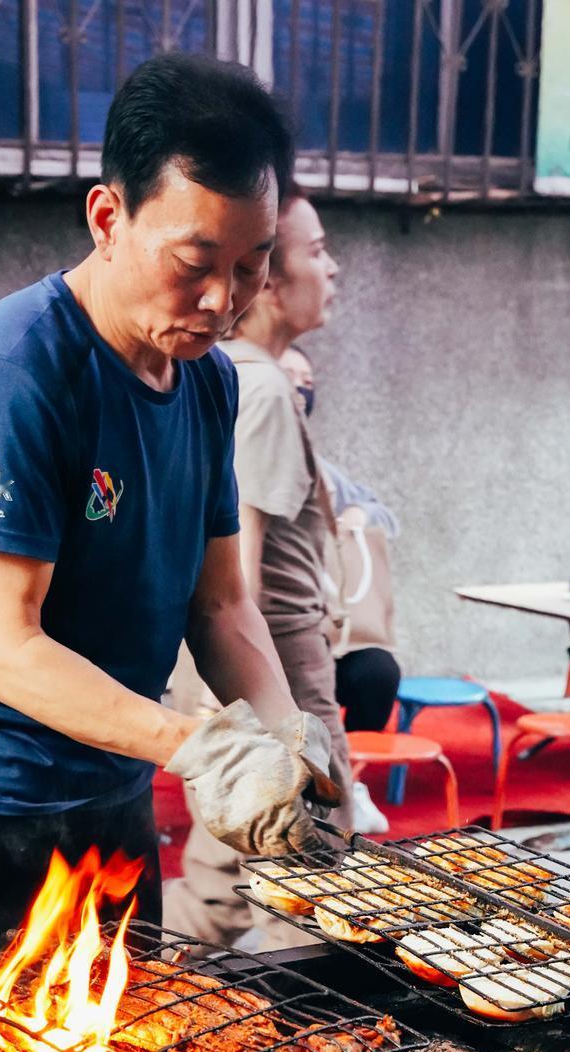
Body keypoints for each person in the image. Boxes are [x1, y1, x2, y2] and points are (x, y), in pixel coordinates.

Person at [0, 53, 338, 956]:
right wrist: (203, 748)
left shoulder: (207, 383)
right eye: (195, 263)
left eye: (251, 269)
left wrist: (287, 735)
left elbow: (220, 602)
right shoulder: (14, 373)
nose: (223, 302)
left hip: (119, 777)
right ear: (107, 217)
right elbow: (3, 647)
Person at [166, 191, 350, 946]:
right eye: (314, 251)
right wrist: (276, 725)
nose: (331, 268)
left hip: (224, 668)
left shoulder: (216, 373)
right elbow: (235, 574)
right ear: (268, 278)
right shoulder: (263, 389)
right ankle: (310, 1042)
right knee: (309, 880)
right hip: (275, 664)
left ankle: (138, 999)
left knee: (221, 877)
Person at [278, 342, 403, 743]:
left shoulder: (322, 470)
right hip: (272, 622)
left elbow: (382, 513)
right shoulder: (229, 455)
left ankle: (350, 777)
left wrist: (357, 516)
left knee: (378, 672)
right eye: (288, 377)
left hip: (330, 626)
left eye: (308, 381)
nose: (300, 390)